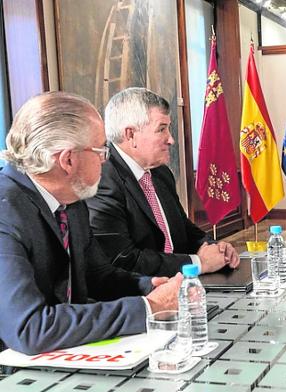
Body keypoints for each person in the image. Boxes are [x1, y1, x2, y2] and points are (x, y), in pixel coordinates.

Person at [0, 91, 181, 355]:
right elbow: (29, 328)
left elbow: (97, 276)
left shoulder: (70, 200)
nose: (105, 160)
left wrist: (149, 287)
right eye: (101, 150)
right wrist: (146, 308)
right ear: (68, 160)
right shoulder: (6, 213)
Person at [86, 87, 239, 277]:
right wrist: (198, 263)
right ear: (130, 135)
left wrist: (216, 248)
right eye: (161, 129)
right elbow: (123, 259)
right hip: (139, 296)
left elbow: (184, 229)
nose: (171, 139)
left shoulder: (160, 173)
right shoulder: (102, 179)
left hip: (180, 286)